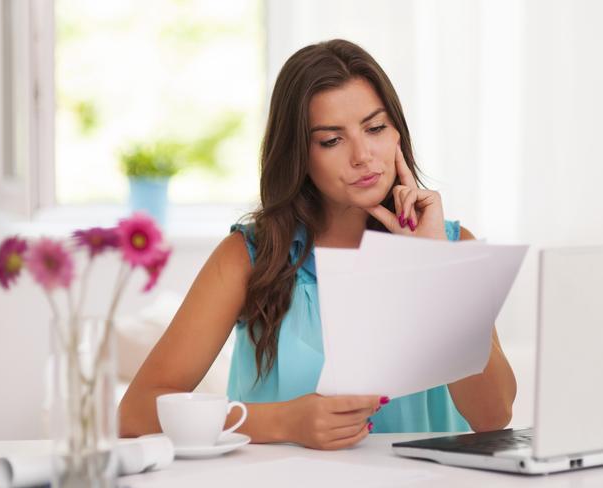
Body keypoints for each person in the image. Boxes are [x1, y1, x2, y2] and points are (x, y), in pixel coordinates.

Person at [118, 39, 517, 450]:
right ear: (298, 155)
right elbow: (135, 414)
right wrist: (284, 422)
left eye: (375, 128)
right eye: (331, 140)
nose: (363, 155)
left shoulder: (452, 245)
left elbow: (494, 416)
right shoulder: (248, 258)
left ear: (398, 132)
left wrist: (435, 268)